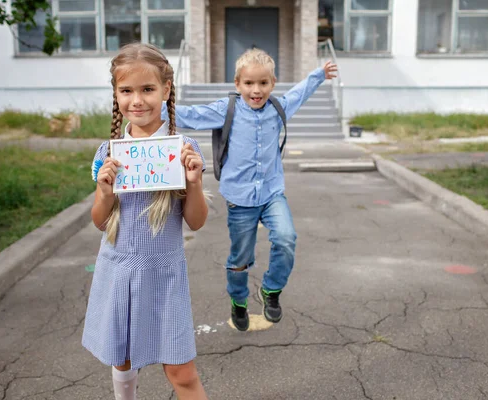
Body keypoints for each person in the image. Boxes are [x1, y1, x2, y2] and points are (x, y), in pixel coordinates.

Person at [163, 48, 338, 331]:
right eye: (249, 83)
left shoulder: (278, 108)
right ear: (237, 84)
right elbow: (192, 115)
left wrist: (319, 75)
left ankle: (271, 290)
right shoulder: (227, 109)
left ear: (272, 83)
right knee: (240, 258)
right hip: (240, 198)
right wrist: (153, 106)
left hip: (271, 194)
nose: (256, 90)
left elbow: (299, 93)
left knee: (286, 237)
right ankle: (239, 301)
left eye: (263, 83)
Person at [82, 43, 209, 400]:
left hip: (164, 273)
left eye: (147, 89)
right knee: (122, 358)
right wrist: (105, 192)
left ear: (166, 89)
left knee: (181, 371)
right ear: (116, 94)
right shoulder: (107, 153)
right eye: (126, 91)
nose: (137, 100)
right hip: (118, 269)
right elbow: (98, 220)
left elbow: (196, 222)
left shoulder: (185, 150)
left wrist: (194, 183)